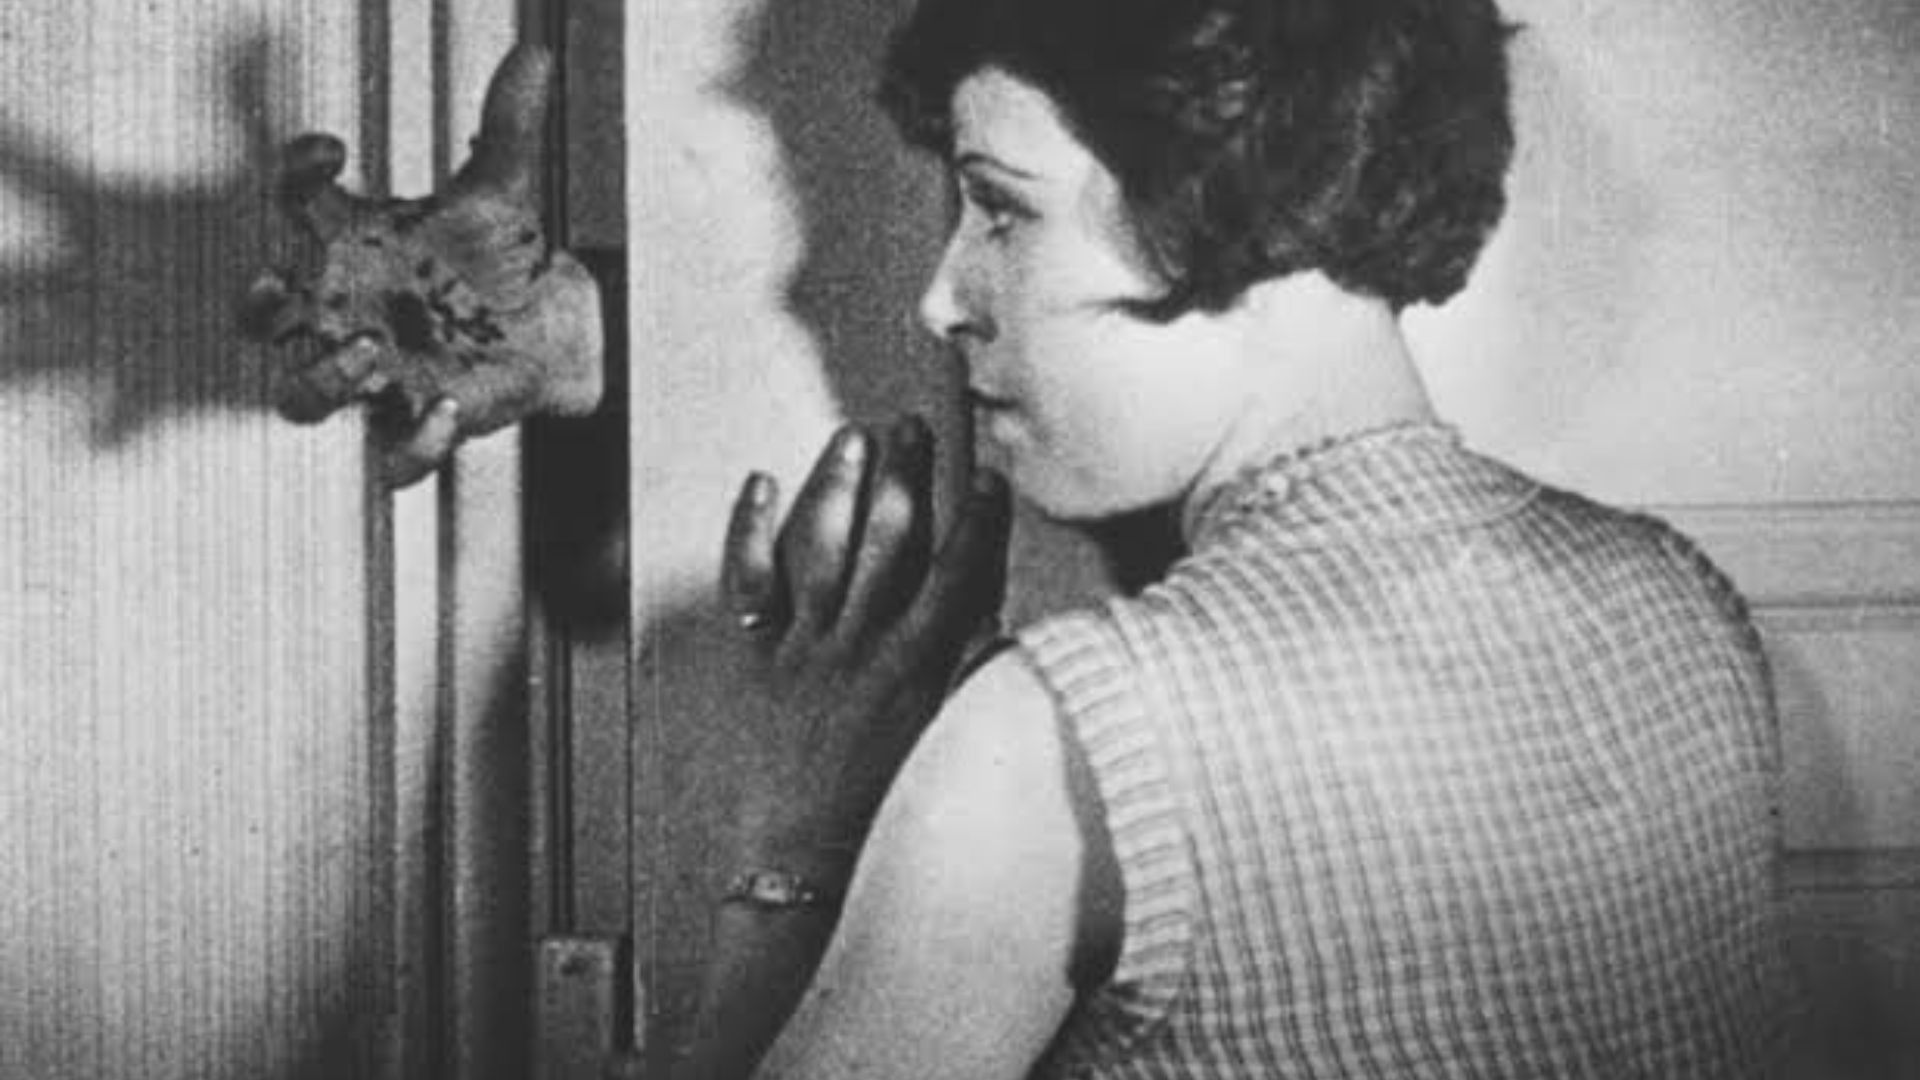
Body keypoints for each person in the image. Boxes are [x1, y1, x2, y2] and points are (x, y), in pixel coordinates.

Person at [252, 3, 1796, 1076]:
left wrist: (796, 828)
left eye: (1000, 209)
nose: (942, 295)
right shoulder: (1677, 607)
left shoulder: (1074, 741)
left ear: (1222, 199)